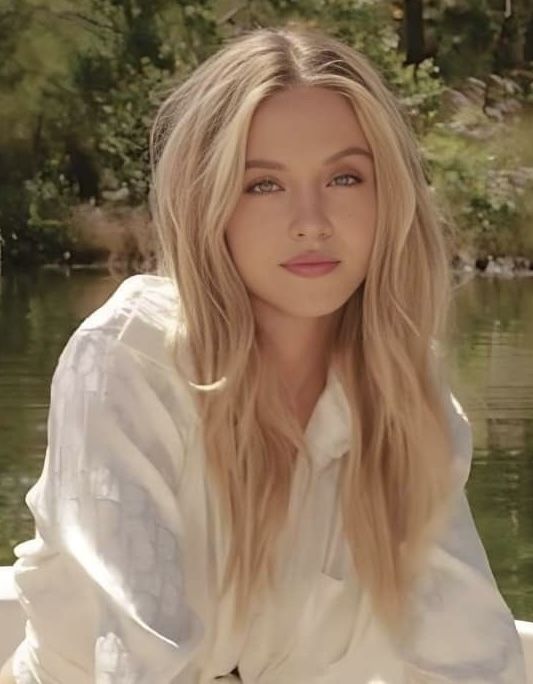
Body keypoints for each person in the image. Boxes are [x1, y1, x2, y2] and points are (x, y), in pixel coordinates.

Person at [1, 23, 527, 684]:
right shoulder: (129, 358)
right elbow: (140, 658)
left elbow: (470, 657)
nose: (311, 220)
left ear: (387, 196)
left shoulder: (404, 388)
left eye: (343, 177)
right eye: (263, 185)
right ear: (207, 203)